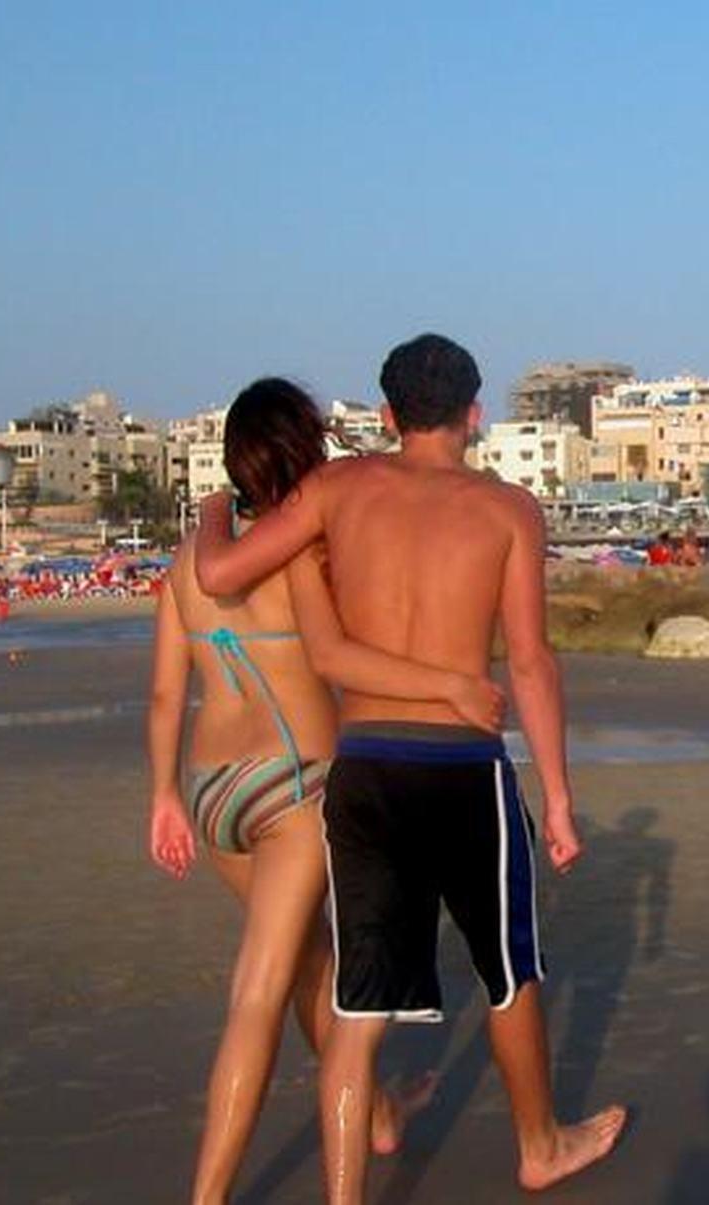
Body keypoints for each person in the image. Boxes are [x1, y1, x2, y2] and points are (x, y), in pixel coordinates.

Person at [192, 336, 625, 1202]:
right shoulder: (509, 509)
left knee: (357, 1013)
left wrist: (212, 506)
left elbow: (219, 568)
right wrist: (562, 797)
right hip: (464, 767)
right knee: (507, 972)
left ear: (386, 417)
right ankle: (539, 1144)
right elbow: (532, 663)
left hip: (366, 770)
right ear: (475, 414)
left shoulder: (337, 488)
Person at [148, 378, 505, 1204]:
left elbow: (168, 693)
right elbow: (355, 650)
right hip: (293, 791)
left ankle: (379, 1111)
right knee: (258, 991)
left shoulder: (188, 565)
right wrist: (450, 684)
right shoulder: (309, 553)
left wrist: (163, 796)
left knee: (314, 958)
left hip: (211, 794)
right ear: (303, 448)